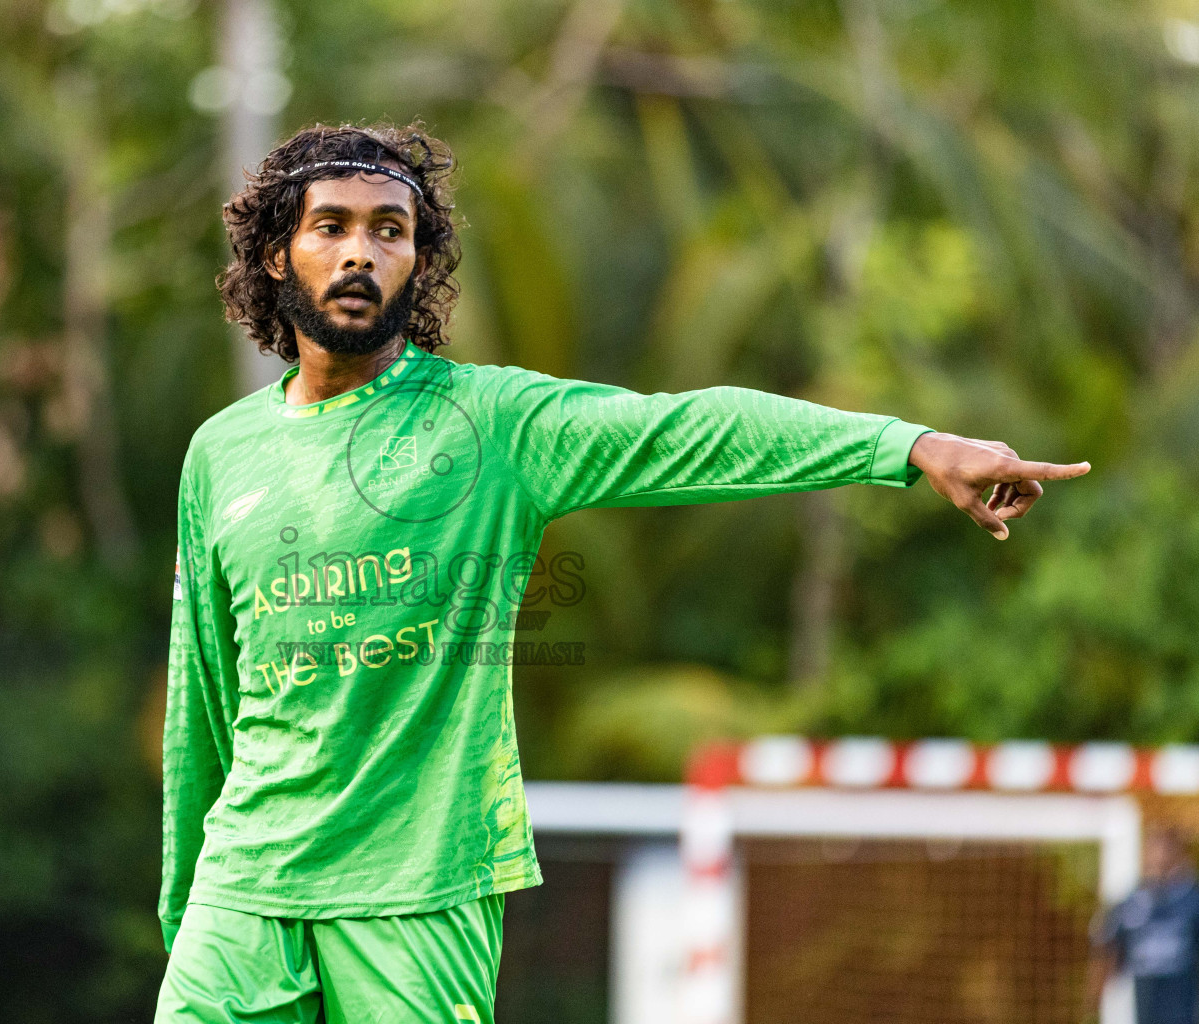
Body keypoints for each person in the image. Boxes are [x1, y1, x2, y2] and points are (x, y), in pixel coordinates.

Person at [155, 121, 1091, 1023]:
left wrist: (911, 443)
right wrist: (184, 906)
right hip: (245, 885)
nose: (361, 252)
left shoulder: (496, 423)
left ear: (419, 262)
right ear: (278, 255)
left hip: (419, 884)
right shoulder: (222, 452)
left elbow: (696, 428)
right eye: (332, 227)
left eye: (389, 231)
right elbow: (203, 693)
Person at [1091, 828, 1199, 1024]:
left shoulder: (1193, 900)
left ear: (1179, 853)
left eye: (1167, 848)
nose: (1160, 855)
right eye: (1154, 848)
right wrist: (1095, 1000)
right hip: (1142, 1010)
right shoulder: (1129, 904)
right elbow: (1107, 952)